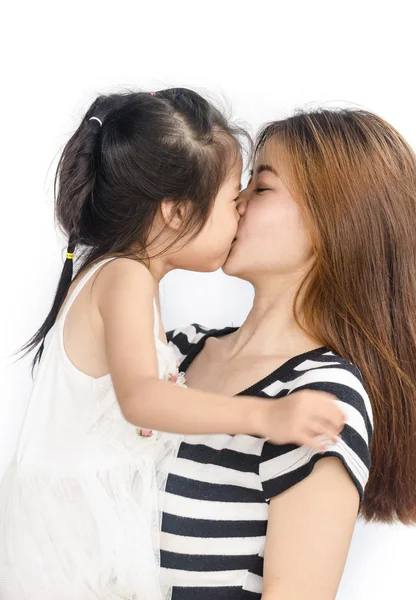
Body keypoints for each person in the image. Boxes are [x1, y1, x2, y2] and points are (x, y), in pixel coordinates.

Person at [0, 90, 346, 600]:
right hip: (79, 538)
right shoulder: (125, 278)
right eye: (234, 199)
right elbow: (142, 398)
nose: (241, 212)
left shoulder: (123, 280)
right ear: (176, 214)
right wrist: (264, 417)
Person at [162, 108, 416, 600]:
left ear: (331, 222)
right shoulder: (176, 350)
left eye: (261, 186)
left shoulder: (319, 399)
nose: (235, 199)